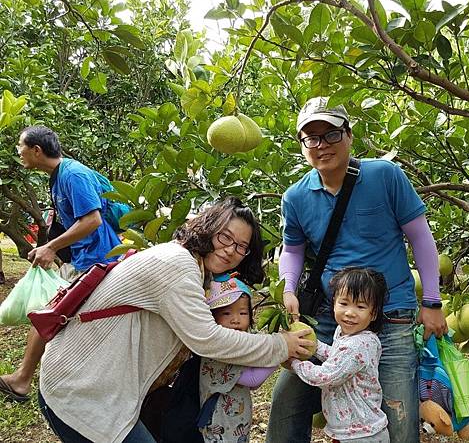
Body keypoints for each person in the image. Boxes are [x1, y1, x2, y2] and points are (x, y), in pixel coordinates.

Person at [37, 197, 314, 443]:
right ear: (207, 228)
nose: (231, 250)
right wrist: (280, 345)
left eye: (241, 246)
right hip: (79, 393)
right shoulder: (178, 265)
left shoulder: (192, 267)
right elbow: (207, 339)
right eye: (225, 237)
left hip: (101, 392)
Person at [266, 97, 447, 443]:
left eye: (331, 134)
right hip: (331, 317)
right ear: (303, 146)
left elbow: (421, 238)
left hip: (390, 315)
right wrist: (287, 288)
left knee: (398, 413)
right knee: (287, 401)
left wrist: (433, 302)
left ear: (348, 135)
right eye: (312, 138)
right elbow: (292, 250)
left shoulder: (385, 176)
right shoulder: (296, 197)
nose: (322, 145)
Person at [0, 126, 121, 403]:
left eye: (20, 146)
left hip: (99, 260)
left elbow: (92, 220)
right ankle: (26, 378)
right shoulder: (58, 177)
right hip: (85, 259)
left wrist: (52, 247)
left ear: (36, 150)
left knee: (50, 313)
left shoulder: (73, 174)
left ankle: (23, 379)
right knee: (55, 316)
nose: (18, 152)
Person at [290, 267, 389, 443]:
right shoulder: (345, 333)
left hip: (361, 434)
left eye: (360, 306)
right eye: (344, 303)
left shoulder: (359, 344)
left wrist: (295, 364)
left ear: (373, 313)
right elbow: (337, 358)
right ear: (334, 302)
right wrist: (314, 346)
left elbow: (327, 376)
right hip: (350, 430)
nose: (350, 312)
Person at [199, 273, 277, 442]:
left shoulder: (240, 345)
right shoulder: (219, 350)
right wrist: (279, 357)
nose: (235, 320)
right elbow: (253, 380)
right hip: (220, 423)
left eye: (242, 313)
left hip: (235, 421)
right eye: (226, 314)